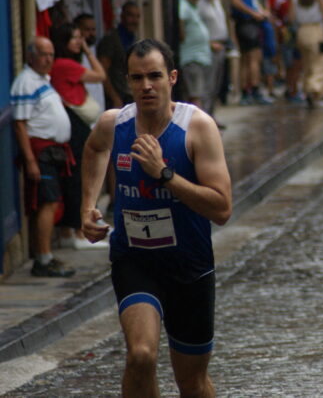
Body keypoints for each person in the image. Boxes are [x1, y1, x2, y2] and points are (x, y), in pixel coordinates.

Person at [81, 38, 232, 397]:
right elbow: (95, 149)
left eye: (154, 76)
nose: (146, 86)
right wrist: (87, 207)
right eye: (137, 78)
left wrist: (165, 173)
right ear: (128, 81)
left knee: (192, 383)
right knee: (141, 354)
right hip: (136, 261)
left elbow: (222, 208)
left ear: (172, 78)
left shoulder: (198, 128)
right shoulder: (113, 124)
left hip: (189, 265)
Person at [11, 37, 75, 276]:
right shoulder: (25, 82)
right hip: (41, 153)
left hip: (52, 151)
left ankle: (46, 255)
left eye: (51, 54)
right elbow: (19, 124)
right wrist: (30, 161)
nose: (49, 59)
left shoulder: (42, 80)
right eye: (43, 54)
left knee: (51, 202)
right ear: (30, 56)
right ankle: (43, 260)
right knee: (46, 204)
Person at [50, 23, 108, 249]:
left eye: (79, 38)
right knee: (77, 177)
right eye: (74, 38)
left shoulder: (61, 65)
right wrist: (87, 50)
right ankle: (77, 232)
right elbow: (100, 74)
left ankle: (75, 230)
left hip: (74, 123)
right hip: (74, 124)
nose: (78, 41)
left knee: (75, 176)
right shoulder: (65, 65)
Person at [230, 0, 270, 105]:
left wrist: (263, 12)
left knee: (252, 58)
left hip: (253, 23)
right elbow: (235, 0)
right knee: (251, 58)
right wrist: (254, 13)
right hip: (246, 23)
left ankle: (251, 89)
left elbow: (254, 3)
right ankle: (251, 90)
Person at [197, 0, 231, 118]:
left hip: (221, 46)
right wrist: (210, 43)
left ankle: (212, 117)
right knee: (208, 86)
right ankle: (205, 118)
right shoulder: (200, 4)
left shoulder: (216, 0)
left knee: (217, 85)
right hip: (209, 48)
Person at [97, 1, 140, 109]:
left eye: (137, 16)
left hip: (130, 97)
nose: (134, 20)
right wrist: (115, 97)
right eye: (130, 15)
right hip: (114, 99)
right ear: (122, 16)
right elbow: (103, 72)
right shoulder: (111, 40)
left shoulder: (135, 40)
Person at [179, 0, 213, 108]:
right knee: (195, 95)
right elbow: (180, 24)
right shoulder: (183, 5)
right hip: (192, 58)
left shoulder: (193, 6)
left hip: (200, 57)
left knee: (201, 93)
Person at [276, 0, 305, 103]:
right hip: (287, 35)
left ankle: (295, 88)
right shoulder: (281, 1)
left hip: (297, 34)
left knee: (297, 64)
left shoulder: (298, 0)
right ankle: (291, 89)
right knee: (290, 64)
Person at [253, 0, 278, 103]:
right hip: (261, 29)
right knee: (262, 59)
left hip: (267, 28)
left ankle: (270, 87)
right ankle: (264, 87)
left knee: (270, 56)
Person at [74, 13, 106, 115]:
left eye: (93, 29)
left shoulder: (94, 50)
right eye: (87, 30)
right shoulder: (74, 56)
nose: (91, 33)